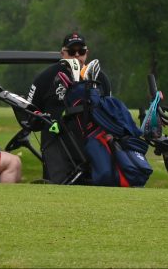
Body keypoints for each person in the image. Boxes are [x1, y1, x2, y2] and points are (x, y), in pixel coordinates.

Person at [25, 31, 112, 183]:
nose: (77, 56)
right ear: (63, 53)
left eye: (81, 51)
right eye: (72, 52)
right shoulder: (46, 77)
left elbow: (110, 109)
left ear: (87, 53)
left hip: (92, 143)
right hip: (56, 143)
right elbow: (30, 110)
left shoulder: (100, 78)